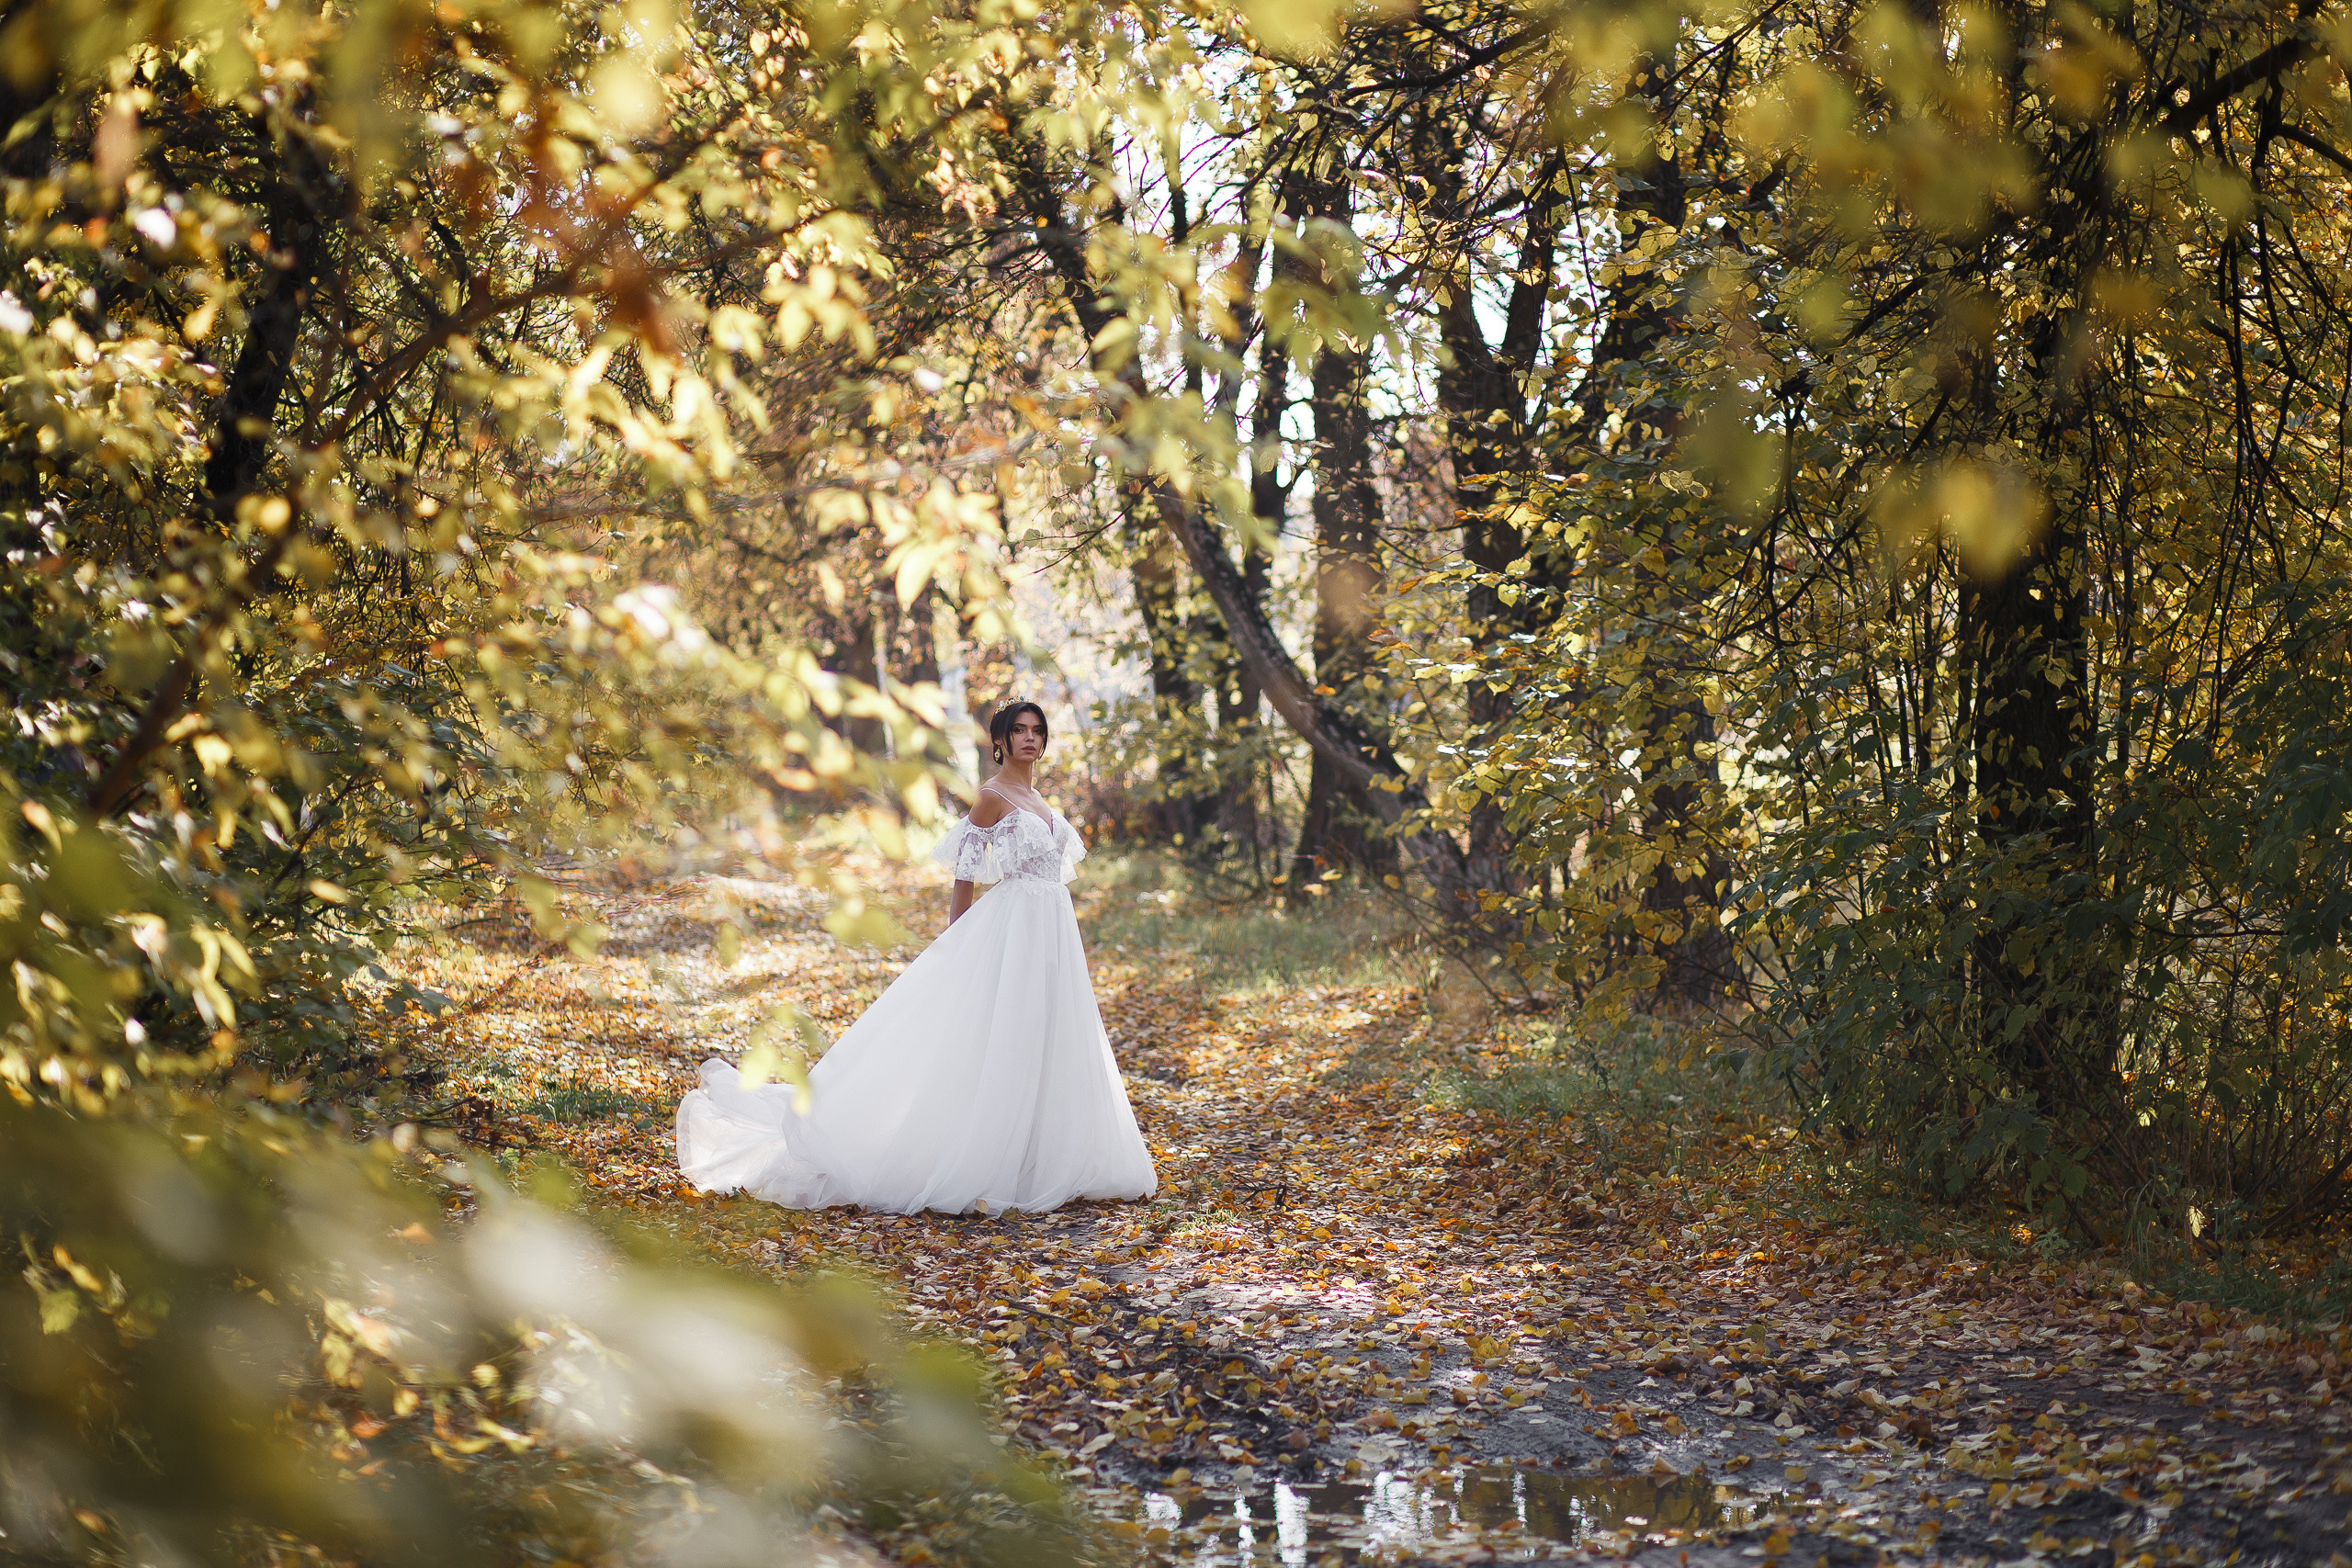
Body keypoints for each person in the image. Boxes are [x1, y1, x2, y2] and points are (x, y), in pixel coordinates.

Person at [673, 701, 1159, 1214]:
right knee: (1007, 1030)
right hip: (1014, 926)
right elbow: (964, 875)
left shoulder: (1038, 799)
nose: (1029, 739)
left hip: (1053, 928)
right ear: (1000, 740)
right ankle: (984, 1157)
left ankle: (1044, 1157)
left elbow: (1052, 872)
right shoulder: (992, 796)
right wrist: (958, 944)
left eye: (1037, 731)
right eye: (1019, 730)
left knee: (1052, 1030)